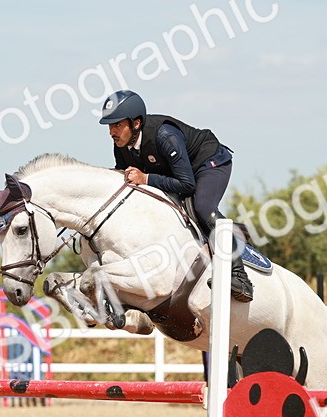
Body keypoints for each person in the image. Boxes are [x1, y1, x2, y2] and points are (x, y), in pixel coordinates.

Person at [99, 90, 254, 302]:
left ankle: (239, 275)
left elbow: (187, 184)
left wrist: (146, 179)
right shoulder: (122, 145)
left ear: (135, 124)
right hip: (178, 171)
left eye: (117, 125)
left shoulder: (164, 136)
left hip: (209, 162)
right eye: (110, 126)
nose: (112, 132)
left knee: (202, 207)